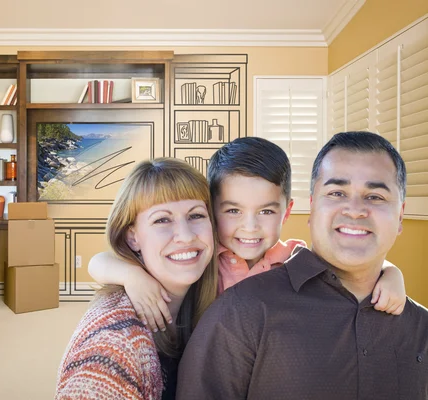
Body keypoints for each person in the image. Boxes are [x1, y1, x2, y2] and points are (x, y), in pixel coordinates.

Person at [176, 131, 428, 399]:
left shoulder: (419, 326)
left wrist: (391, 271)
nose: (355, 210)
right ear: (312, 208)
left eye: (375, 197)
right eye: (337, 192)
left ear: (400, 215)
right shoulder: (227, 296)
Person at [89, 137, 406, 333]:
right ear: (212, 210)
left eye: (266, 212)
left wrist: (392, 273)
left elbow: (347, 269)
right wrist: (133, 277)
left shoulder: (296, 257)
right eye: (233, 211)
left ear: (287, 210)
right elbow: (99, 262)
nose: (250, 227)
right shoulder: (203, 260)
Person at [55, 158, 218, 399]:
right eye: (162, 219)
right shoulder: (113, 345)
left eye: (196, 215)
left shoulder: (211, 296)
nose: (185, 235)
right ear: (133, 237)